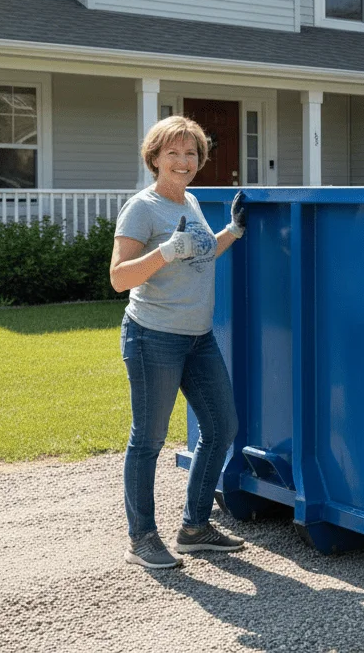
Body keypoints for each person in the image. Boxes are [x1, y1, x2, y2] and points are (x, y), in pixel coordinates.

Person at [109, 116, 249, 568]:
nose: (184, 161)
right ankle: (141, 539)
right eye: (173, 153)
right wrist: (165, 250)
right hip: (153, 337)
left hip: (197, 338)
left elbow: (199, 253)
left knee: (222, 427)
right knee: (148, 439)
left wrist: (231, 232)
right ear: (155, 158)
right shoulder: (142, 208)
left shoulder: (190, 200)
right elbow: (119, 277)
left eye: (191, 153)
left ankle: (194, 527)